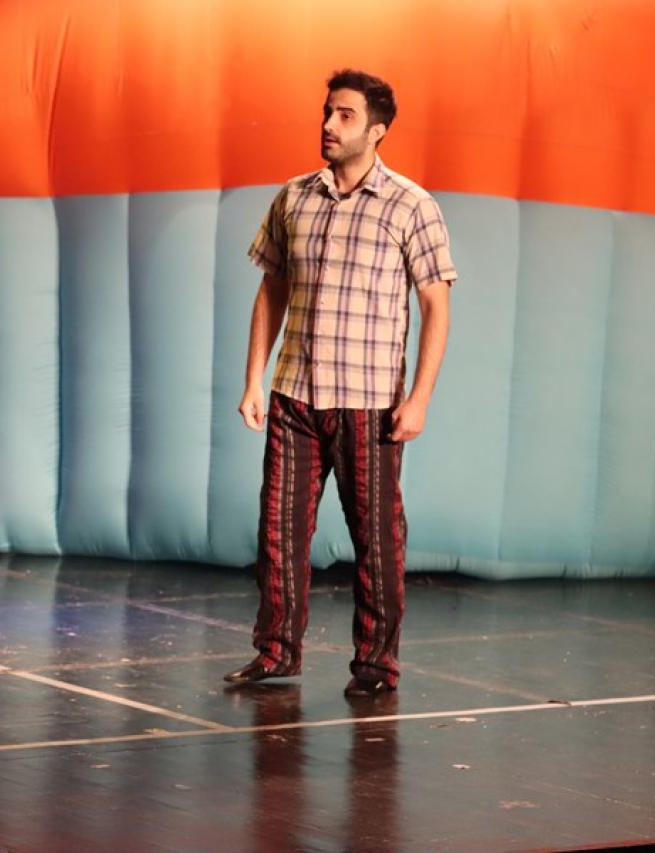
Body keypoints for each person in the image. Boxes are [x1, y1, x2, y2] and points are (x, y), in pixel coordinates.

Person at [224, 69, 456, 697]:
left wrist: (420, 399)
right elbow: (271, 289)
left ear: (377, 131)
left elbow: (436, 305)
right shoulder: (294, 197)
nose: (329, 124)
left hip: (369, 405)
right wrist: (254, 380)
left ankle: (376, 665)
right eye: (328, 111)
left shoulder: (411, 205)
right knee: (279, 533)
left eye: (345, 115)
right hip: (295, 395)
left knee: (376, 539)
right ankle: (276, 653)